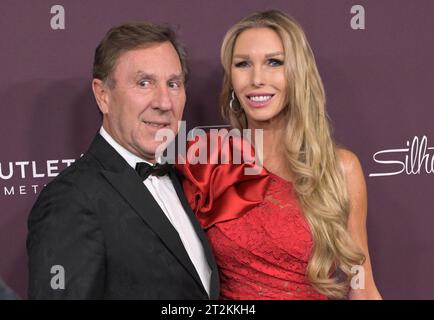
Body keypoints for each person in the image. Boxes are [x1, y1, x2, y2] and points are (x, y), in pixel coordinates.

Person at [176, 10, 381, 299]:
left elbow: (362, 286)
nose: (257, 79)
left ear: (297, 73)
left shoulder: (340, 169)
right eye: (243, 64)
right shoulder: (208, 163)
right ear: (231, 77)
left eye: (274, 62)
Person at [27, 22, 219, 299]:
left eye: (173, 84)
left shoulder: (184, 178)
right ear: (103, 95)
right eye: (144, 83)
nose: (164, 102)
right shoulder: (69, 201)